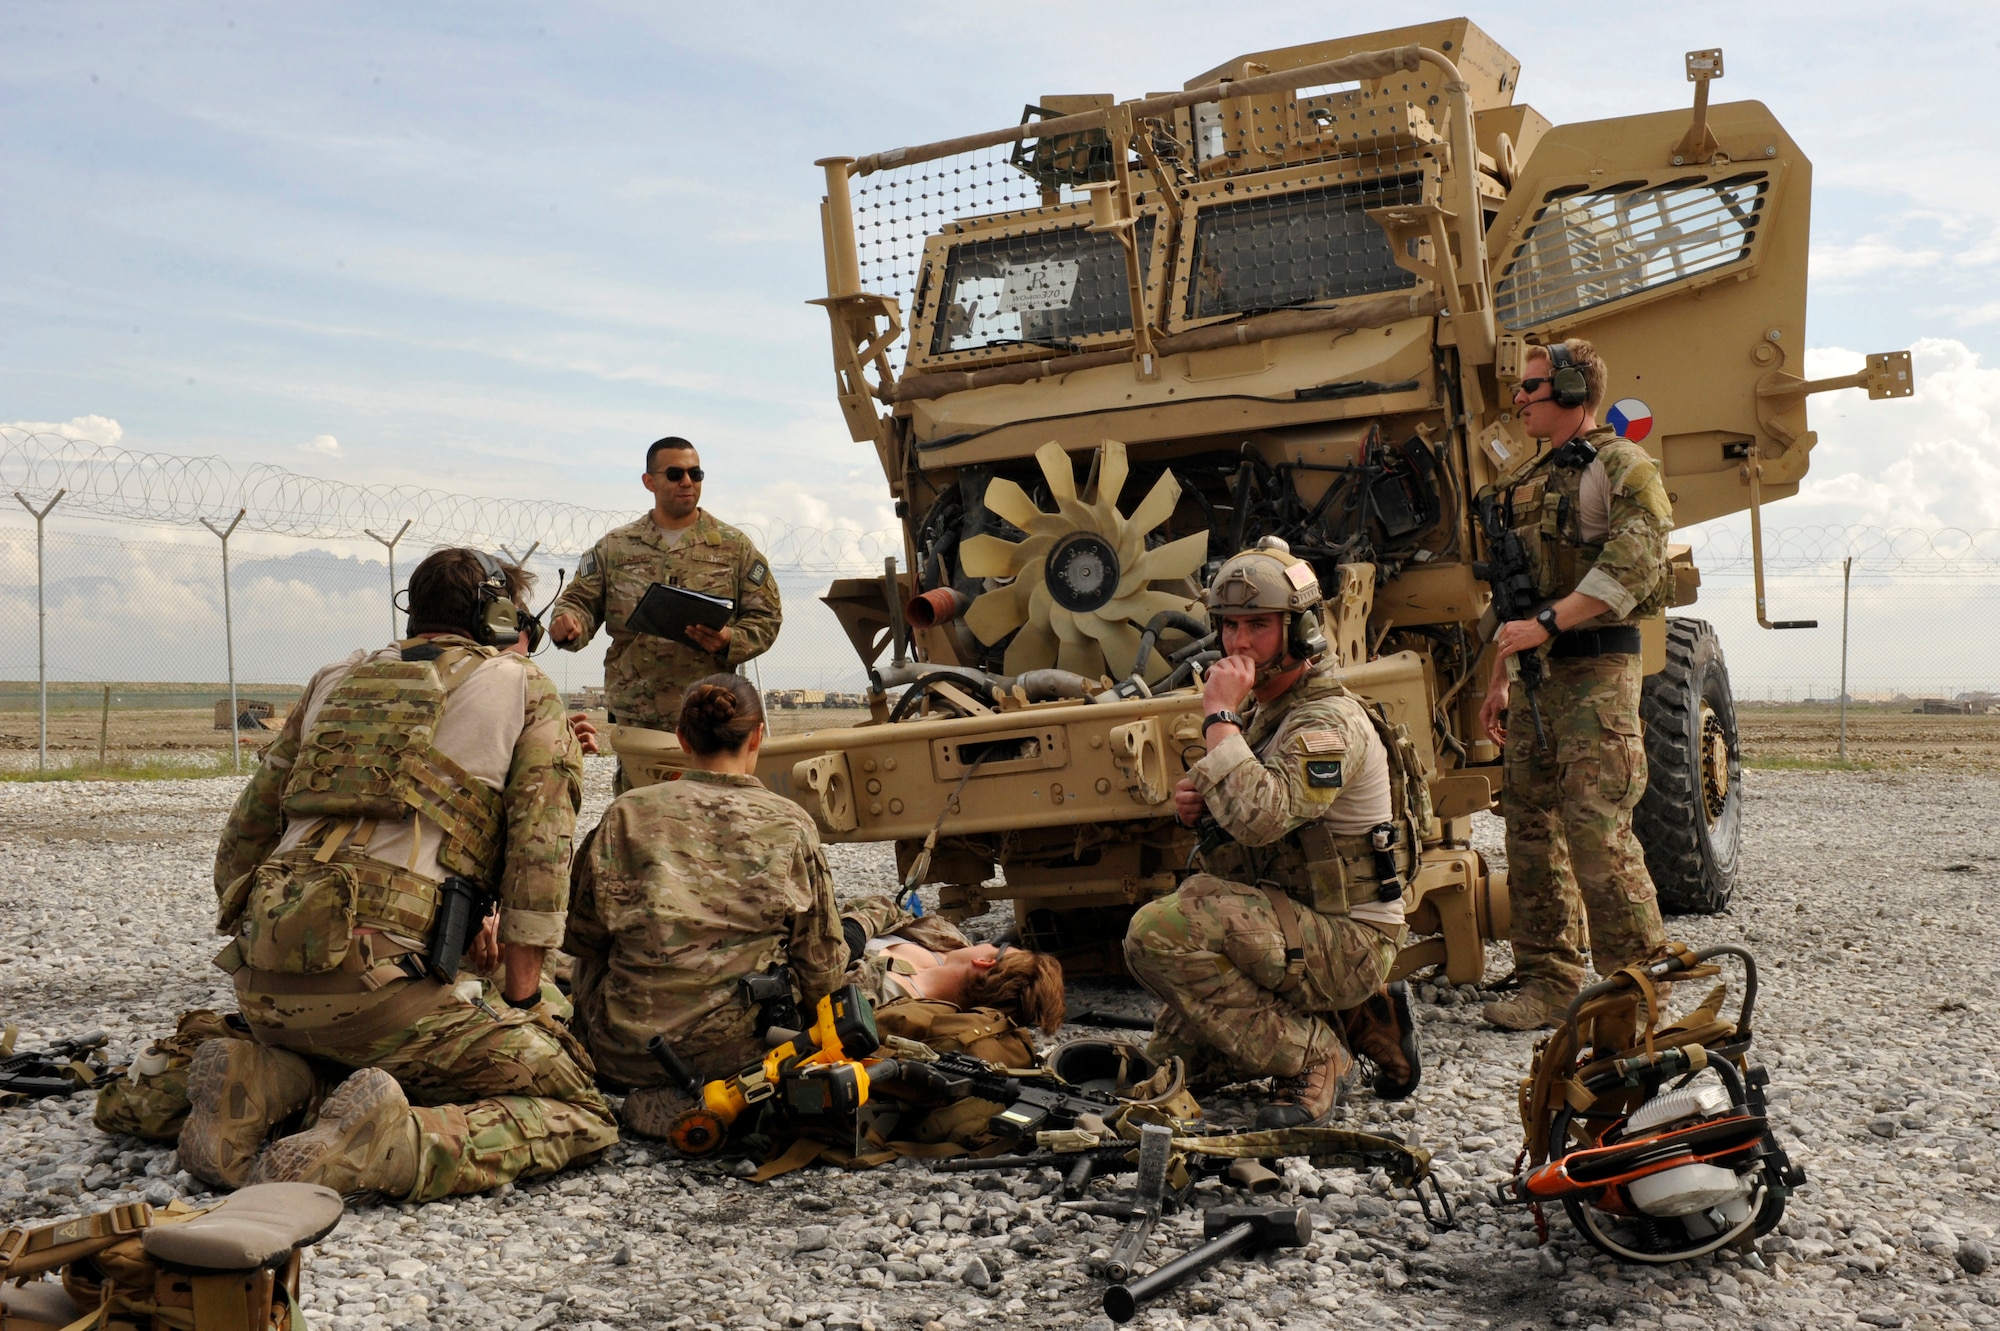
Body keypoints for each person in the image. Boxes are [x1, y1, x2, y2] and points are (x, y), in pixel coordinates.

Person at [181, 548, 618, 1201]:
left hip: (265, 991)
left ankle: (269, 1080)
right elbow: (538, 861)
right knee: (578, 1103)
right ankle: (385, 1146)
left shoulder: (333, 678)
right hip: (388, 997)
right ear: (498, 614)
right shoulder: (525, 687)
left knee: (362, 1034)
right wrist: (525, 1002)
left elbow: (243, 842)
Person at [1123, 541, 1420, 1130]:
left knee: (1157, 935)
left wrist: (1217, 719)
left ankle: (1319, 1053)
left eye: (1258, 625)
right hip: (1295, 924)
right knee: (1162, 1067)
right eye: (1229, 626)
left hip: (1348, 938)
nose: (1238, 643)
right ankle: (1350, 1017)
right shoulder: (1270, 712)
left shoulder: (1326, 721)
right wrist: (1200, 804)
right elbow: (1254, 825)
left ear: (1303, 630)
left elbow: (1262, 817)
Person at [1477, 338, 1673, 1031]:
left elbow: (1637, 557)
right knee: (1530, 829)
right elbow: (1512, 597)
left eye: (1532, 387)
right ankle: (1549, 979)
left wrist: (1549, 624)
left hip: (1592, 672)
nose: (1520, 398)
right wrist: (1500, 674)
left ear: (1569, 390)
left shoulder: (1619, 464)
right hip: (1535, 676)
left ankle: (1636, 991)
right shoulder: (1526, 480)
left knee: (1596, 829)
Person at [562, 673, 845, 1137]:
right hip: (744, 1061)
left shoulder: (627, 812)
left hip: (622, 1055)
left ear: (681, 737)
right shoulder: (789, 823)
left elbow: (583, 936)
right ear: (758, 735)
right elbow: (822, 966)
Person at [548, 437, 782, 770]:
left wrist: (730, 639)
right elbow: (579, 602)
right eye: (675, 474)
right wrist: (568, 622)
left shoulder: (733, 548)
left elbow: (766, 617)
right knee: (641, 807)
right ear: (650, 481)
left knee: (706, 810)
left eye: (695, 473)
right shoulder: (616, 548)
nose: (687, 482)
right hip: (639, 712)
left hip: (709, 714)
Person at [836, 895, 1066, 1035]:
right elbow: (887, 908)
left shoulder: (886, 998)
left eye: (1001, 947)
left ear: (984, 962)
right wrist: (857, 927)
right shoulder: (950, 944)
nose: (989, 944)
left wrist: (838, 950)